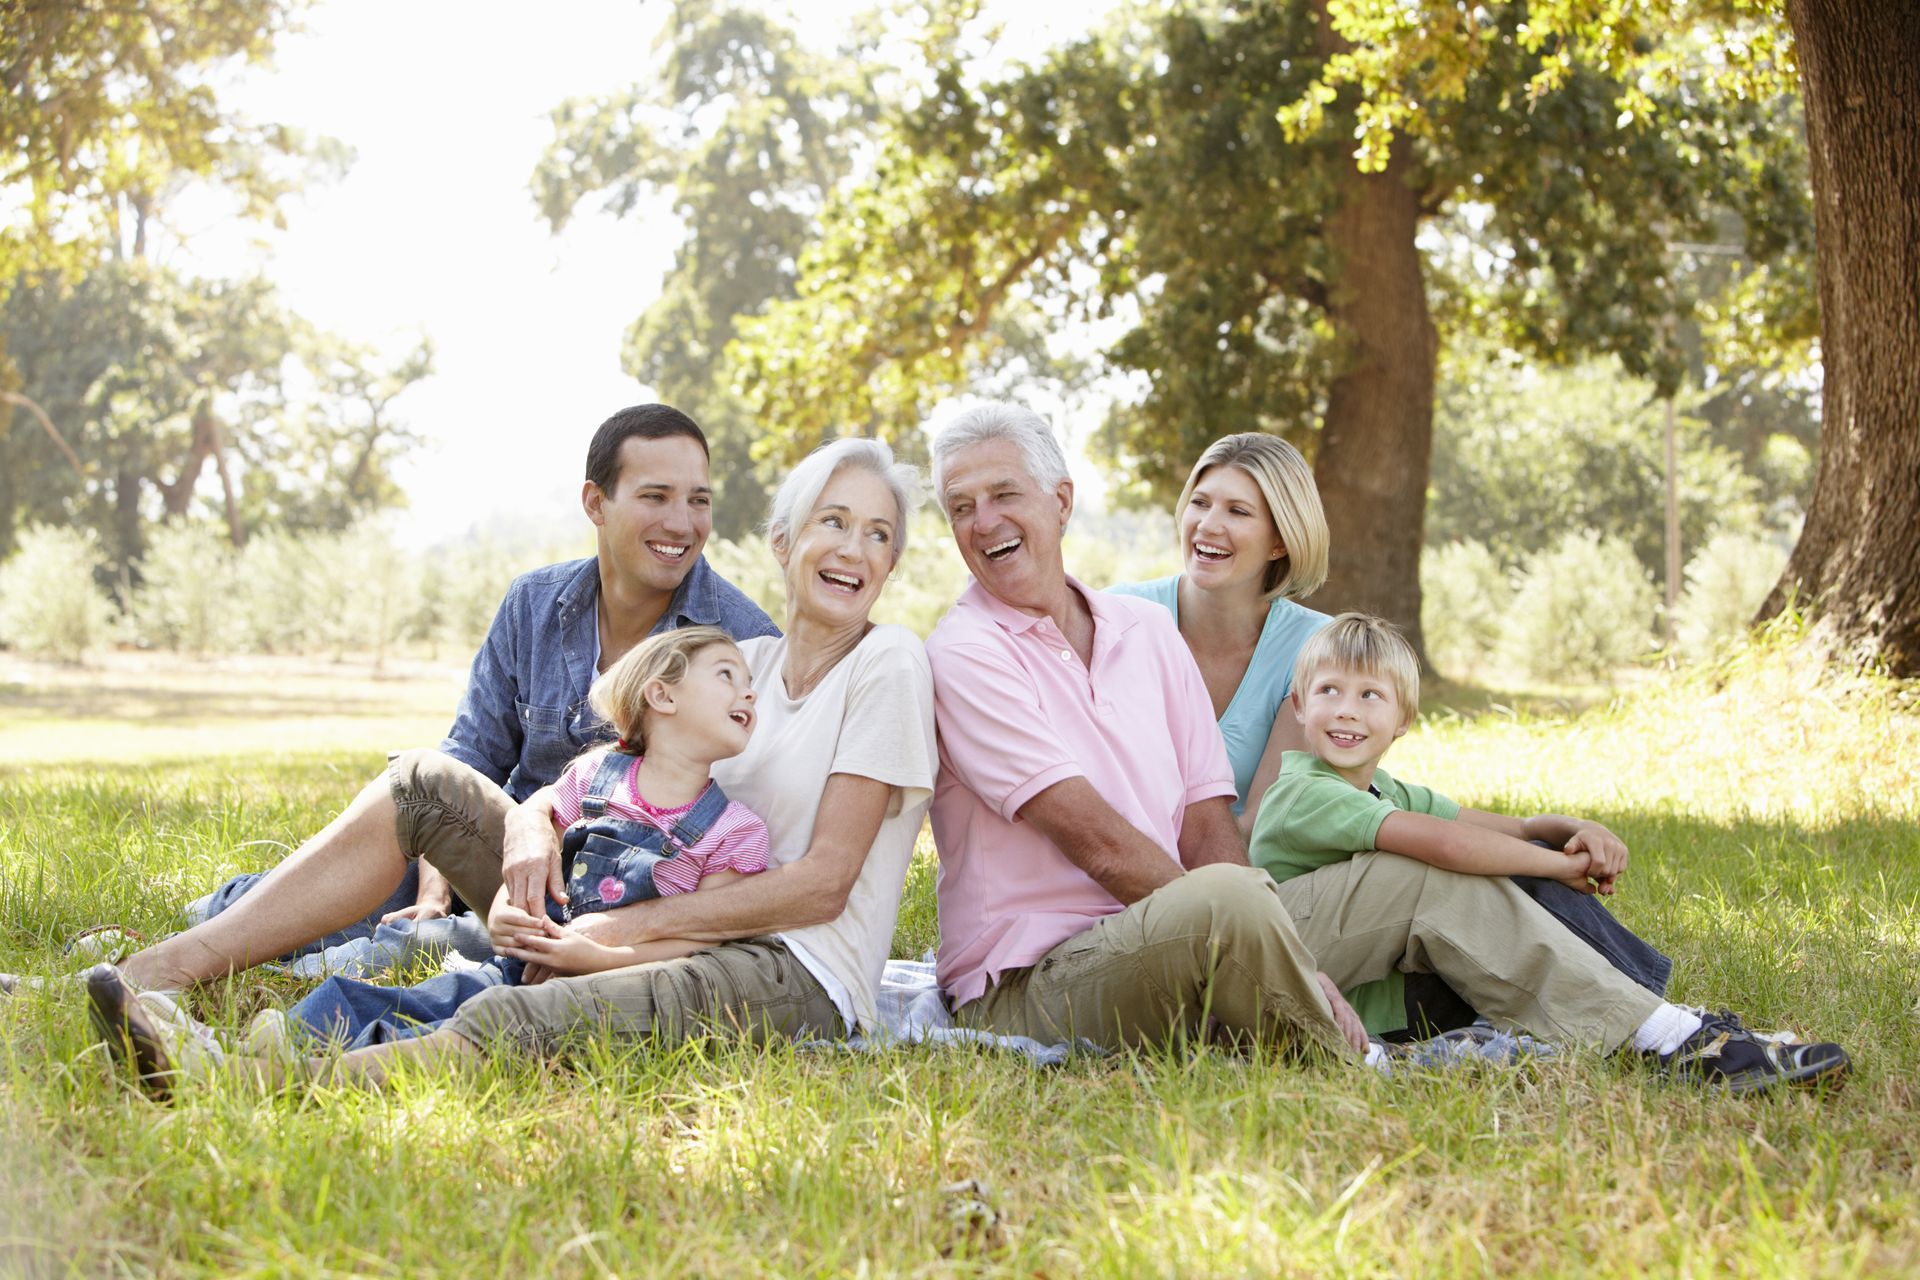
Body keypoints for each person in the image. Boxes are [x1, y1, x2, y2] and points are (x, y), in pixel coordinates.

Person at [924, 402, 1851, 1092]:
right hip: (1044, 983)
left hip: (1198, 926)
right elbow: (1099, 844)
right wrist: (1277, 945)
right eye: (960, 506)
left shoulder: (1138, 633)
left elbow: (1210, 821)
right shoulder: (967, 654)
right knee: (1229, 903)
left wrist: (1273, 930)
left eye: (1005, 493)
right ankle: (1366, 1067)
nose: (985, 522)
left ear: (1059, 499)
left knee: (1411, 875)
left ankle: (1674, 1038)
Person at [91, 438, 937, 1092]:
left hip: (787, 970)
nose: (854, 549)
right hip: (628, 903)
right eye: (834, 521)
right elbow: (612, 763)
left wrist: (610, 939)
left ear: (891, 564)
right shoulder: (739, 658)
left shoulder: (888, 663)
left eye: (879, 535)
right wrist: (532, 824)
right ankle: (151, 977)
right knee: (423, 782)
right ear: (785, 540)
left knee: (530, 1012)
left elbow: (826, 883)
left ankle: (245, 1082)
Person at [48, 404, 778, 1000]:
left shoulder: (740, 641)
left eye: (699, 500)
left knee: (376, 873)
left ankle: (175, 959)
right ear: (597, 501)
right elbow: (471, 755)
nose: (681, 523)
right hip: (496, 848)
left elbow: (743, 821)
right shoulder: (534, 604)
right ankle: (187, 937)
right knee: (366, 869)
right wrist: (437, 880)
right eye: (655, 496)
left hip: (609, 891)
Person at [1110, 432, 1672, 1037]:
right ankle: (1651, 1021)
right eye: (1201, 501)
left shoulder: (1315, 653)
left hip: (1278, 893)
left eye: (1237, 511)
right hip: (1169, 904)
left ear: (1281, 538)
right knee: (1432, 870)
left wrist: (1554, 834)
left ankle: (1649, 1007)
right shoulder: (1121, 621)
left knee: (1493, 870)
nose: (1207, 524)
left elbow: (1273, 824)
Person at [1248, 612, 1851, 1089]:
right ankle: (1664, 1032)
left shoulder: (1387, 789)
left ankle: (1658, 1021)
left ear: (1404, 718)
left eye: (1369, 695)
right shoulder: (1304, 791)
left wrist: (1563, 830)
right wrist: (1558, 865)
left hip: (1375, 982)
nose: (1347, 709)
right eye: (1329, 690)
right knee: (1461, 869)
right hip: (1287, 961)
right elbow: (1447, 844)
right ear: (1300, 707)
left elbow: (1495, 827)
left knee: (1511, 863)